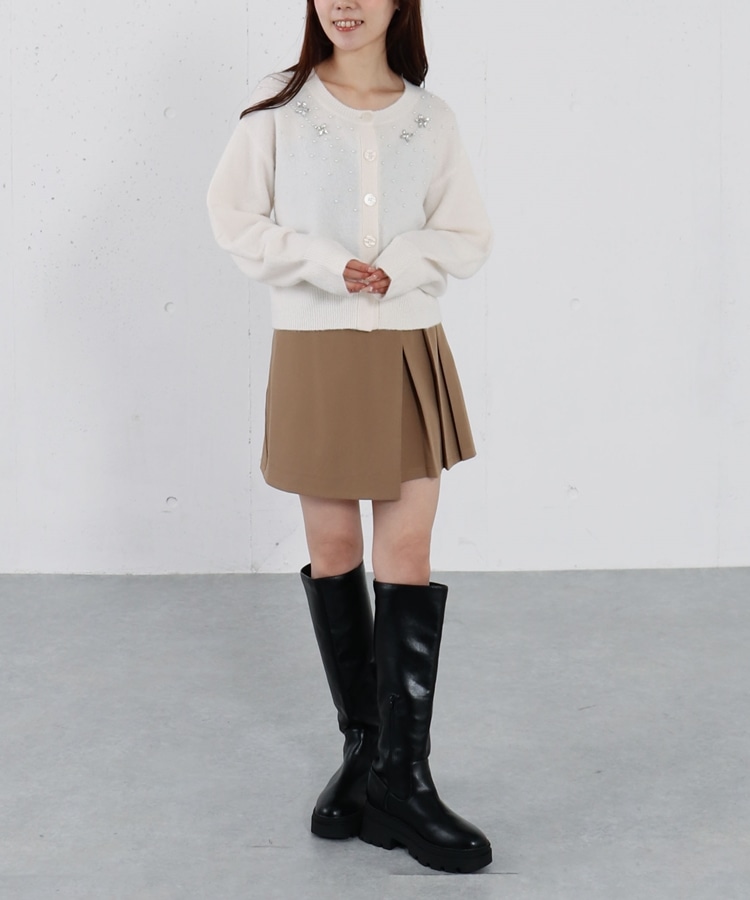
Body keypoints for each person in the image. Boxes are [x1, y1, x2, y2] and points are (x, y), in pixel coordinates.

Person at [207, 0, 493, 874]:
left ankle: (404, 779)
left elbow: (467, 234)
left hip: (406, 346)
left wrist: (396, 266)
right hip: (316, 349)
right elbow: (234, 218)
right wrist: (330, 266)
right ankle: (365, 752)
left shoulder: (431, 119)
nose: (345, 3)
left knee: (407, 554)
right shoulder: (278, 109)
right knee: (334, 550)